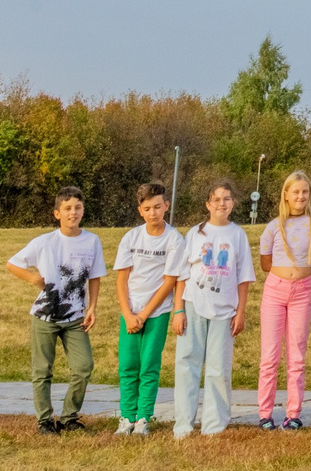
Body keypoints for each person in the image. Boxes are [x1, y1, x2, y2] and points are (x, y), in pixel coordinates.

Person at [7, 184, 105, 435]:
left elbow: (94, 277)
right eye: (67, 208)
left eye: (78, 208)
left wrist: (92, 307)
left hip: (75, 317)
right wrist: (33, 280)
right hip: (45, 316)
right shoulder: (44, 242)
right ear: (57, 213)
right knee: (42, 370)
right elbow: (13, 264)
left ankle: (69, 417)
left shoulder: (92, 241)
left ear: (83, 210)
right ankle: (44, 421)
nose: (73, 213)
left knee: (83, 366)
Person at [170, 182, 252, 439]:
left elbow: (243, 278)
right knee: (187, 364)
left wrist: (240, 312)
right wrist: (178, 310)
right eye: (216, 199)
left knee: (218, 369)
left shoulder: (237, 235)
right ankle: (183, 424)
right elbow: (181, 274)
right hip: (194, 304)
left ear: (233, 204)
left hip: (225, 310)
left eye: (226, 199)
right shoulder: (195, 233)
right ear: (207, 205)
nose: (221, 203)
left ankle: (214, 425)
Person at [255, 169, 311, 430]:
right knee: (270, 356)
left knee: (297, 354)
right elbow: (265, 263)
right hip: (275, 291)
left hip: (302, 290)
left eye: (305, 192)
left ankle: (293, 413)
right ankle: (265, 413)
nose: (300, 196)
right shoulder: (274, 226)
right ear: (286, 195)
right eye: (296, 192)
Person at [110, 183, 180, 437]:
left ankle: (142, 419)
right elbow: (121, 279)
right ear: (140, 210)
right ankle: (126, 417)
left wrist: (145, 314)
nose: (153, 213)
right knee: (128, 365)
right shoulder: (131, 237)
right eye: (148, 208)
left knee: (148, 365)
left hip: (157, 313)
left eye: (158, 207)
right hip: (130, 312)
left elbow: (169, 281)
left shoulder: (174, 239)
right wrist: (128, 314)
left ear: (166, 206)